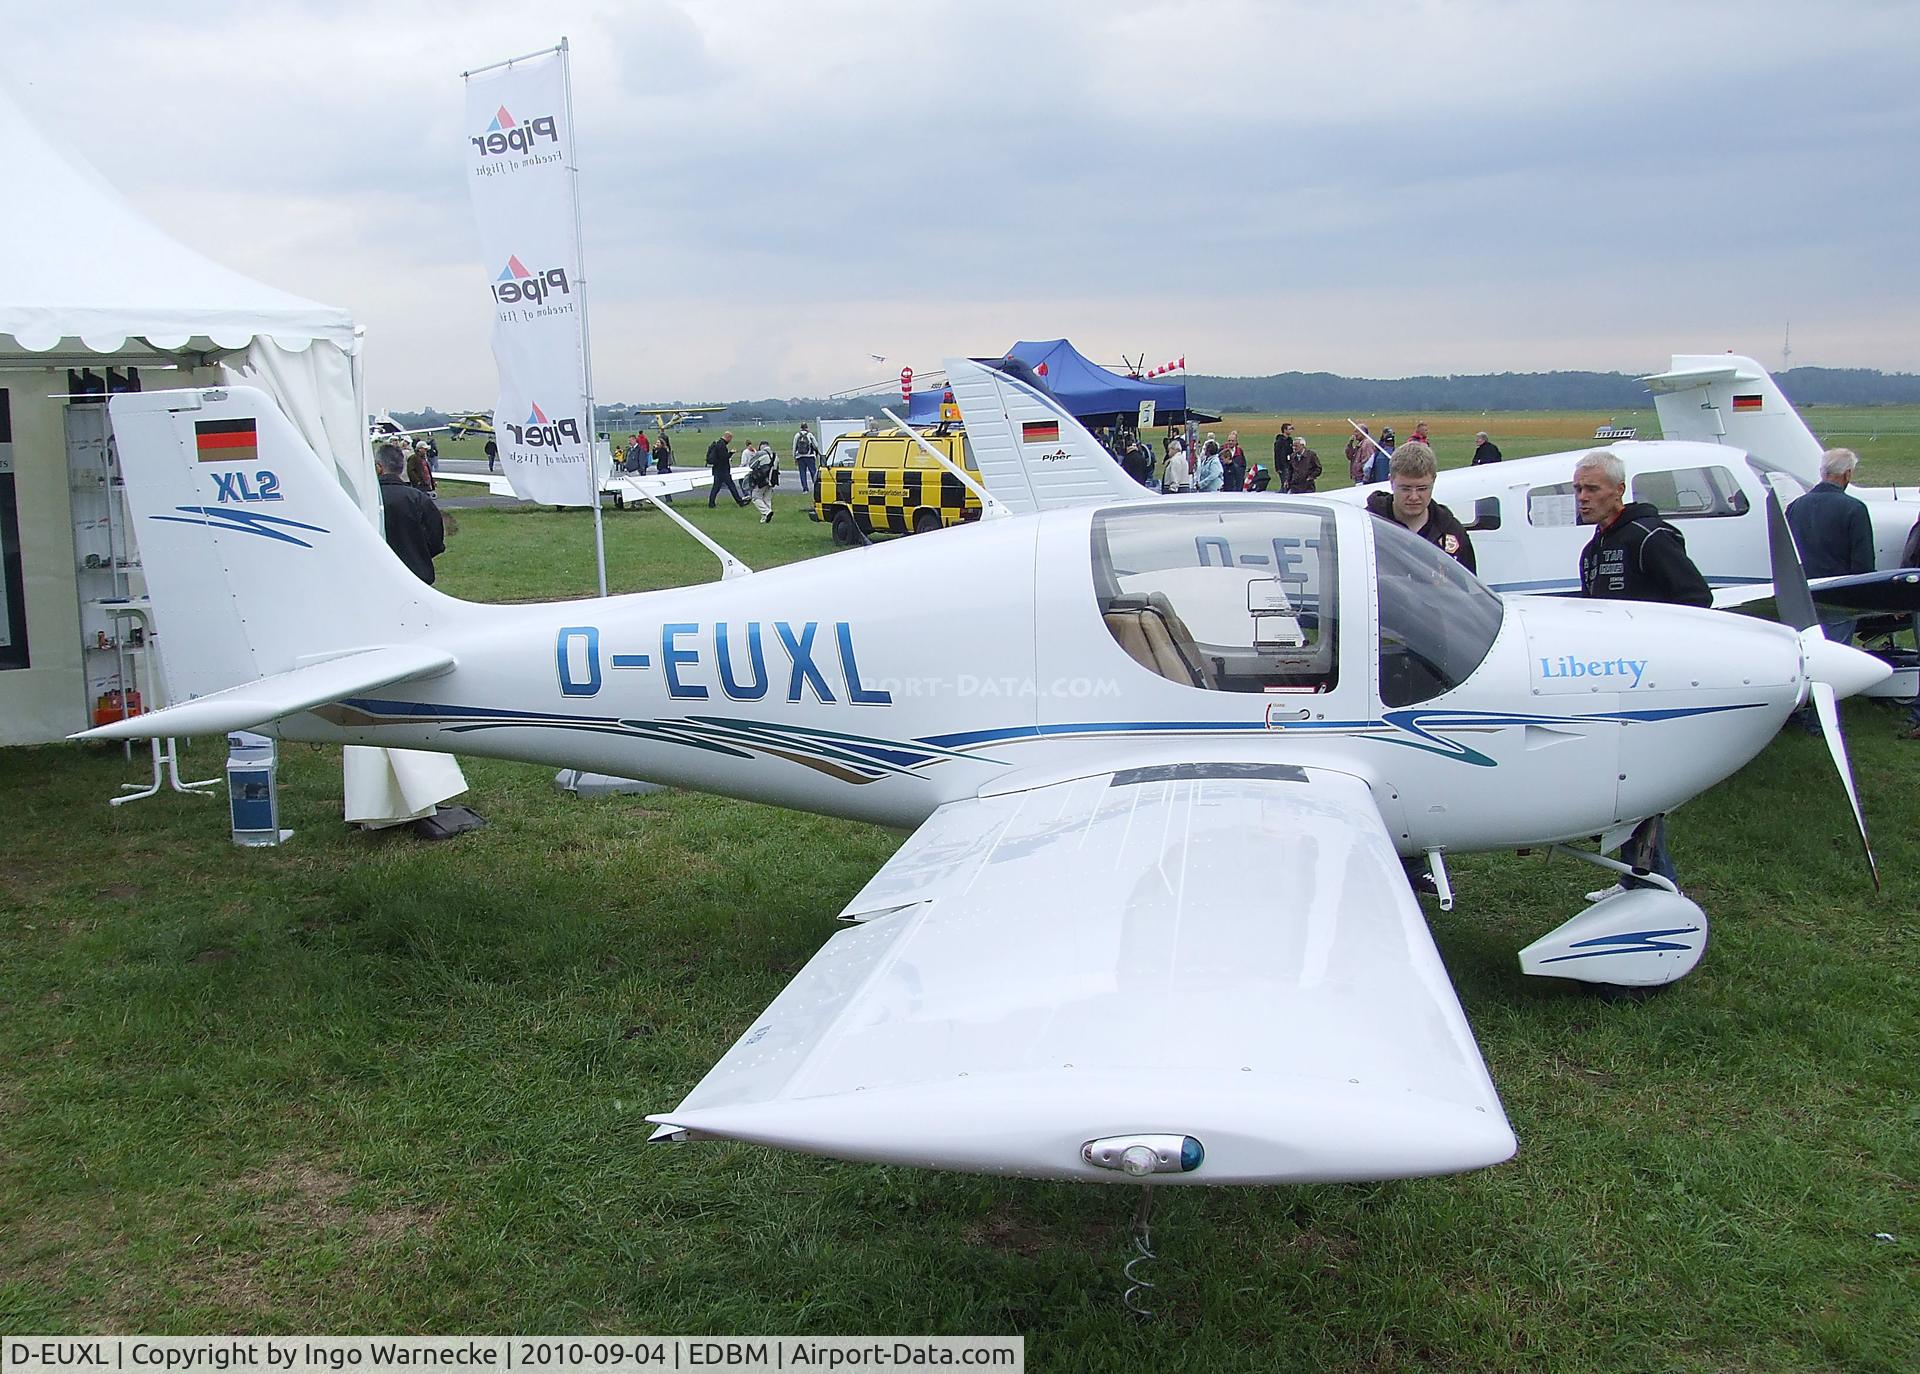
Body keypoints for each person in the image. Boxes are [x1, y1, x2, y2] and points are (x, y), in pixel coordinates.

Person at [1573, 449, 1711, 895]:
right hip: (1611, 683)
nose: (1583, 497)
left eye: (1592, 488)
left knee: (1642, 791)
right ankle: (1634, 877)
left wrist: (1658, 651)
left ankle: (1654, 882)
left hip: (1647, 684)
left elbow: (1695, 598)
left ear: (1619, 490)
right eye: (1578, 489)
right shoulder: (1594, 547)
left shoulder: (1650, 538)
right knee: (1621, 786)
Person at [1786, 448, 1875, 642]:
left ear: (1822, 473)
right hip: (1838, 597)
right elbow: (1863, 561)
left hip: (1803, 596)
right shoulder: (1854, 508)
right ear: (1848, 474)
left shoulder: (1795, 506)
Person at [1363, 441, 1475, 570]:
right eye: (1405, 488)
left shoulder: (1452, 532)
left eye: (1422, 489)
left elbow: (1467, 588)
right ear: (1391, 481)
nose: (1414, 497)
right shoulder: (1367, 529)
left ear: (1434, 481)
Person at [376, 442, 444, 584]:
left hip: (377, 577)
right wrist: (418, 554)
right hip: (416, 576)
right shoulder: (418, 499)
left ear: (378, 468)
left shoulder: (368, 498)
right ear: (401, 468)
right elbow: (436, 541)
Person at [707, 430, 748, 508]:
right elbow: (724, 458)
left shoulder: (718, 443)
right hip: (723, 471)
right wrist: (731, 453)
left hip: (717, 470)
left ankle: (711, 503)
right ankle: (740, 502)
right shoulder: (722, 445)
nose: (730, 441)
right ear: (728, 437)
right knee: (731, 486)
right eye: (730, 439)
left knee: (716, 488)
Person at [747, 440, 779, 522]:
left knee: (755, 497)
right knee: (767, 499)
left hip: (762, 479)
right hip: (772, 479)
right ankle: (765, 518)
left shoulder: (761, 454)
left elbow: (751, 464)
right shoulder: (775, 455)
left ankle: (767, 512)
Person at [792, 422, 821, 495]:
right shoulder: (810, 435)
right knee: (813, 472)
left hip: (800, 457)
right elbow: (816, 445)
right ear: (807, 427)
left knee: (802, 473)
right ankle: (816, 487)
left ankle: (805, 489)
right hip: (810, 456)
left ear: (801, 427)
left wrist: (794, 457)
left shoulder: (797, 435)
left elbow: (794, 447)